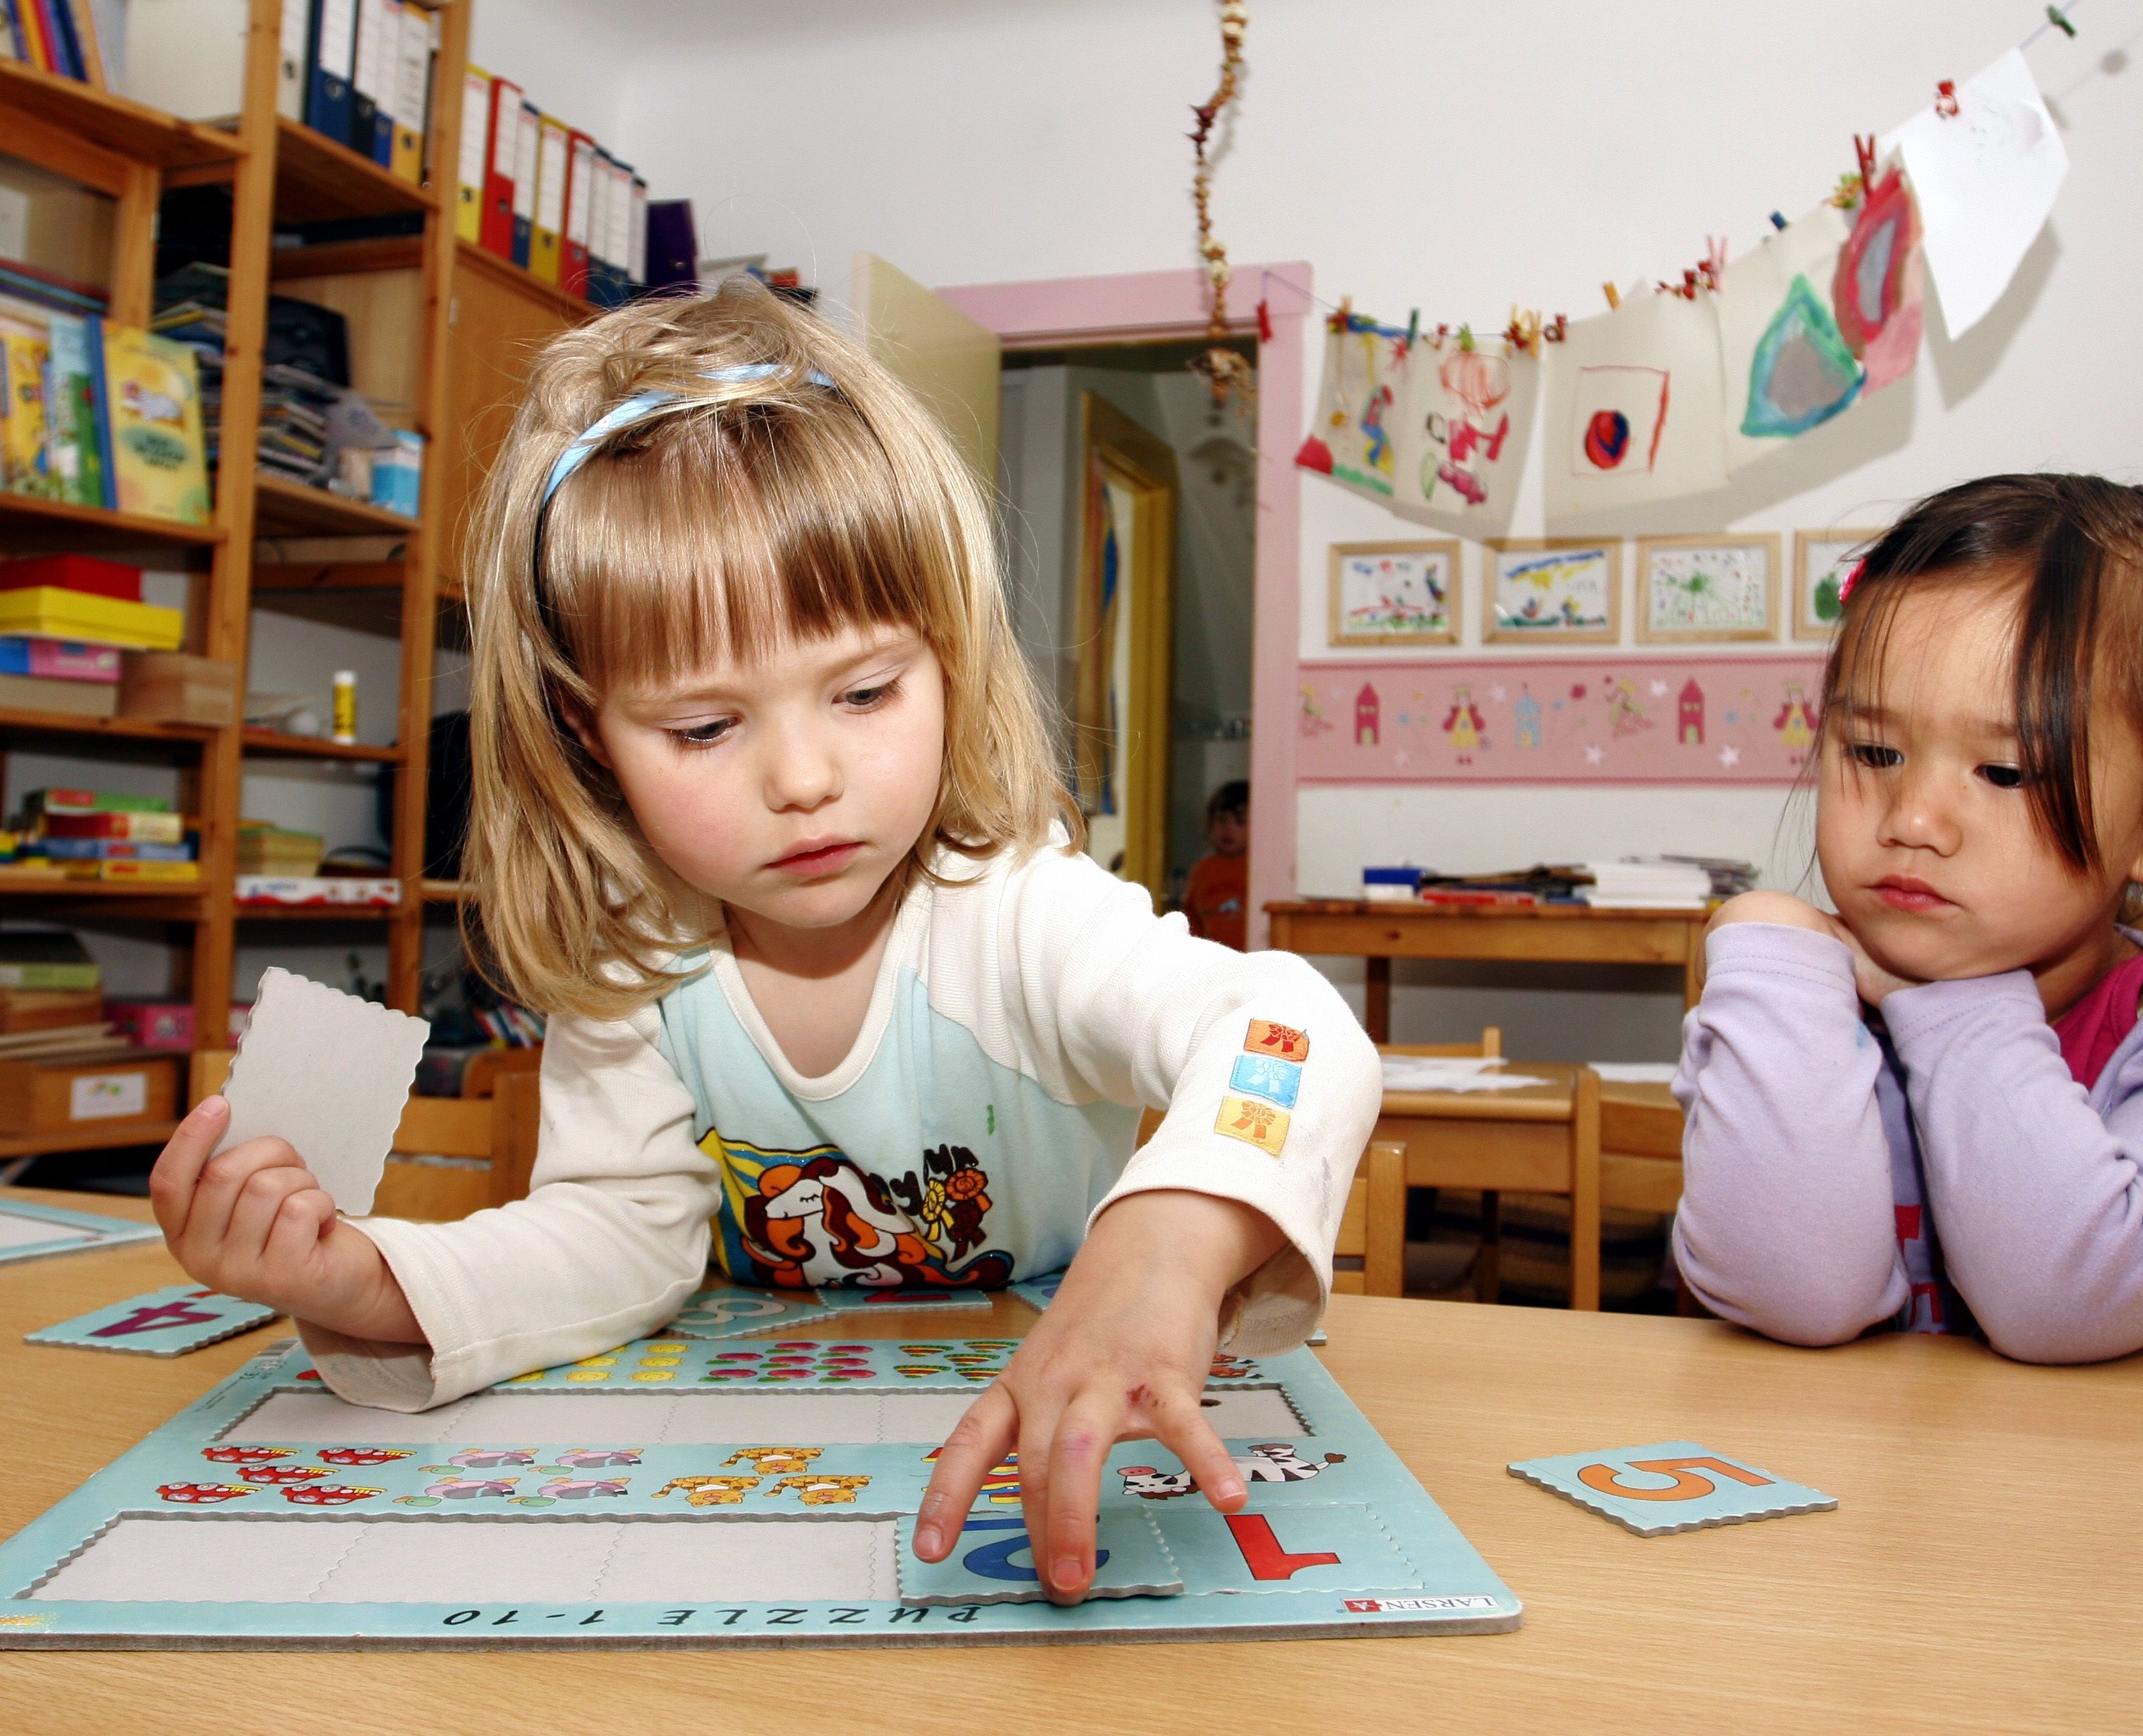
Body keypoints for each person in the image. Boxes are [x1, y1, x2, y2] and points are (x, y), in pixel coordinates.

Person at [145, 281, 1379, 1601]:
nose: (803, 778)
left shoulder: (1014, 910)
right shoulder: (634, 961)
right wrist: (364, 1280)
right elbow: (618, 1238)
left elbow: (1291, 1030)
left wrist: (1165, 1248)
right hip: (771, 1479)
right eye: (700, 728)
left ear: (951, 658)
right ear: (585, 735)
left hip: (1062, 1430)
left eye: (863, 691)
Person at [1674, 474, 2143, 1364]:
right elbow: (1797, 1294)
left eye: (2005, 772)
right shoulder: (1796, 996)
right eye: (1875, 752)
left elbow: (2065, 1305)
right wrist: (1773, 959)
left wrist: (1960, 1006)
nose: (1911, 821)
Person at [1182, 779, 1249, 950]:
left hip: (1249, 954)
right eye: (1222, 820)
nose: (1229, 829)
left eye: (1240, 822)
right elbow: (1191, 916)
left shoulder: (1256, 868)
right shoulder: (1202, 870)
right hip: (1209, 954)